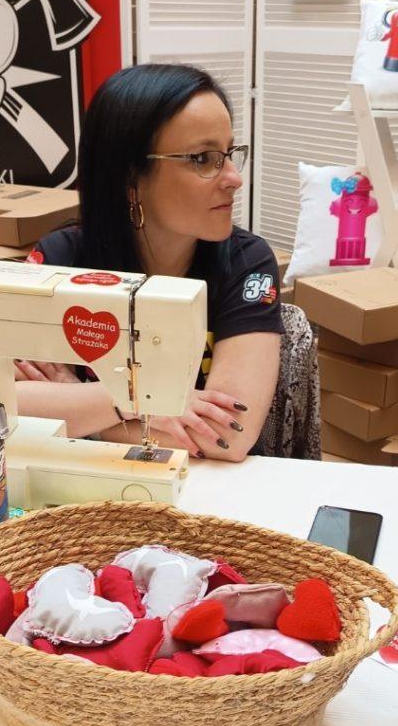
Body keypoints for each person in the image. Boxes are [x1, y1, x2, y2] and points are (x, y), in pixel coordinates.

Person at [16, 64, 282, 461]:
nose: (233, 178)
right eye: (203, 158)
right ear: (130, 177)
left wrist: (75, 401)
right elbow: (5, 404)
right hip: (88, 484)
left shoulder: (247, 263)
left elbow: (225, 437)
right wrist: (136, 400)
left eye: (229, 154)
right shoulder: (60, 259)